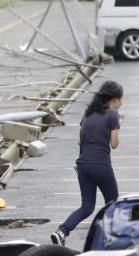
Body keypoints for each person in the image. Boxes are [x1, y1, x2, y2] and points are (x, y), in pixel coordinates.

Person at [51, 81, 124, 247]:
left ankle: (62, 231)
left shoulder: (88, 113)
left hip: (83, 164)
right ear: (113, 100)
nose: (122, 103)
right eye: (121, 99)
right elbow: (114, 144)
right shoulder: (113, 115)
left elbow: (79, 140)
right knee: (113, 203)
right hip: (101, 164)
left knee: (87, 206)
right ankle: (111, 238)